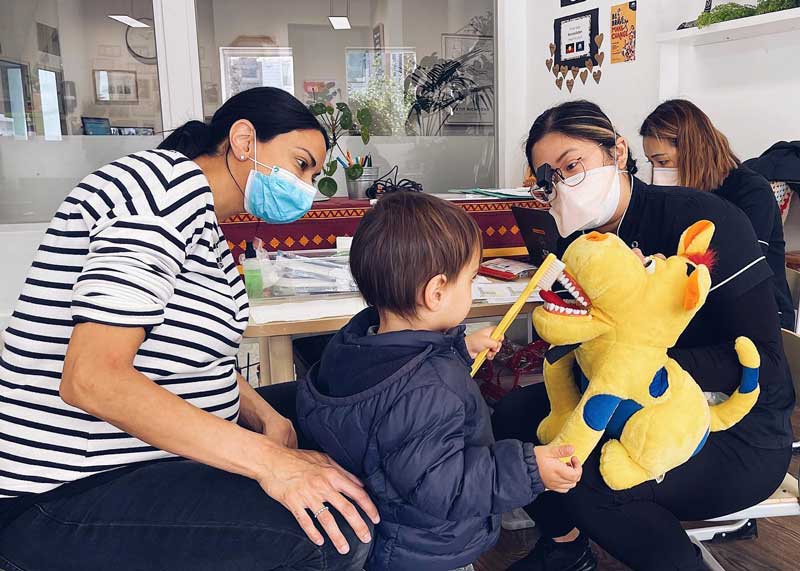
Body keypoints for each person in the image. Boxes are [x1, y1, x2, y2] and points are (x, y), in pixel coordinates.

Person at [0, 87, 379, 571]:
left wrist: (266, 418)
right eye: (301, 164)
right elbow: (91, 378)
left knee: (339, 412)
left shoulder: (200, 214)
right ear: (244, 140)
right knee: (333, 535)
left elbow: (194, 356)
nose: (306, 186)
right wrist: (271, 463)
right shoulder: (159, 192)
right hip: (68, 490)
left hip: (141, 462)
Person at [493, 100, 795, 571]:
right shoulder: (579, 240)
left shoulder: (702, 222)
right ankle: (567, 547)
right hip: (623, 400)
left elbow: (768, 364)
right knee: (509, 422)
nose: (564, 185)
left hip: (728, 425)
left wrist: (639, 361)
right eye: (548, 178)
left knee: (594, 480)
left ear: (616, 151)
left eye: (574, 165)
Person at [296, 192, 583, 571]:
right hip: (425, 549)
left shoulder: (354, 344)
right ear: (435, 292)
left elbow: (396, 389)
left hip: (388, 532)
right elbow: (444, 483)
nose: (471, 289)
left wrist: (459, 350)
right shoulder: (430, 389)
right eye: (470, 279)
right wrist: (531, 468)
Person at [640, 99, 794, 330]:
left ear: (692, 150)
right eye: (652, 163)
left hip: (759, 314)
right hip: (702, 305)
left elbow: (739, 269)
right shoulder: (683, 195)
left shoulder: (751, 191)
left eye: (662, 161)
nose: (658, 172)